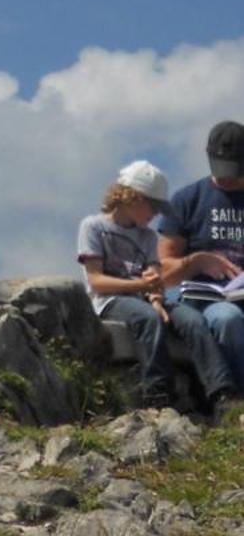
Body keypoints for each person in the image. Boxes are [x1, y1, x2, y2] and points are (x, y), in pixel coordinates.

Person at [75, 159, 240, 416]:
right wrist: (141, 286)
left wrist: (156, 297)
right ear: (132, 197)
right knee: (149, 319)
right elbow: (96, 280)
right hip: (110, 300)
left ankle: (221, 391)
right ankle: (158, 391)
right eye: (152, 206)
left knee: (193, 319)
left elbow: (156, 278)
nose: (155, 214)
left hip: (146, 297)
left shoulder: (148, 236)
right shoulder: (93, 227)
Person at [154, 120, 244, 399]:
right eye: (220, 167)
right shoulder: (188, 200)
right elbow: (163, 272)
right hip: (208, 300)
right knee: (228, 319)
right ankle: (236, 403)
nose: (225, 177)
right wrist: (195, 262)